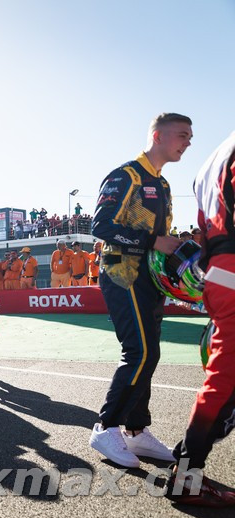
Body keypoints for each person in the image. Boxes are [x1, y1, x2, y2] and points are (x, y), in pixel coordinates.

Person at [88, 112, 191, 468]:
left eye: (189, 136)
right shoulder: (126, 175)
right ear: (158, 135)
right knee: (141, 352)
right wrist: (153, 240)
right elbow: (99, 225)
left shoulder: (162, 184)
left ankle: (136, 430)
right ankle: (106, 426)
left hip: (149, 278)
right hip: (121, 273)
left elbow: (160, 241)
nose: (188, 142)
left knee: (149, 353)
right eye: (182, 134)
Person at [166, 131, 235, 506]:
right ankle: (186, 473)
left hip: (220, 269)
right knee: (225, 382)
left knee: (226, 379)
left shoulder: (210, 160)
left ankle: (186, 469)